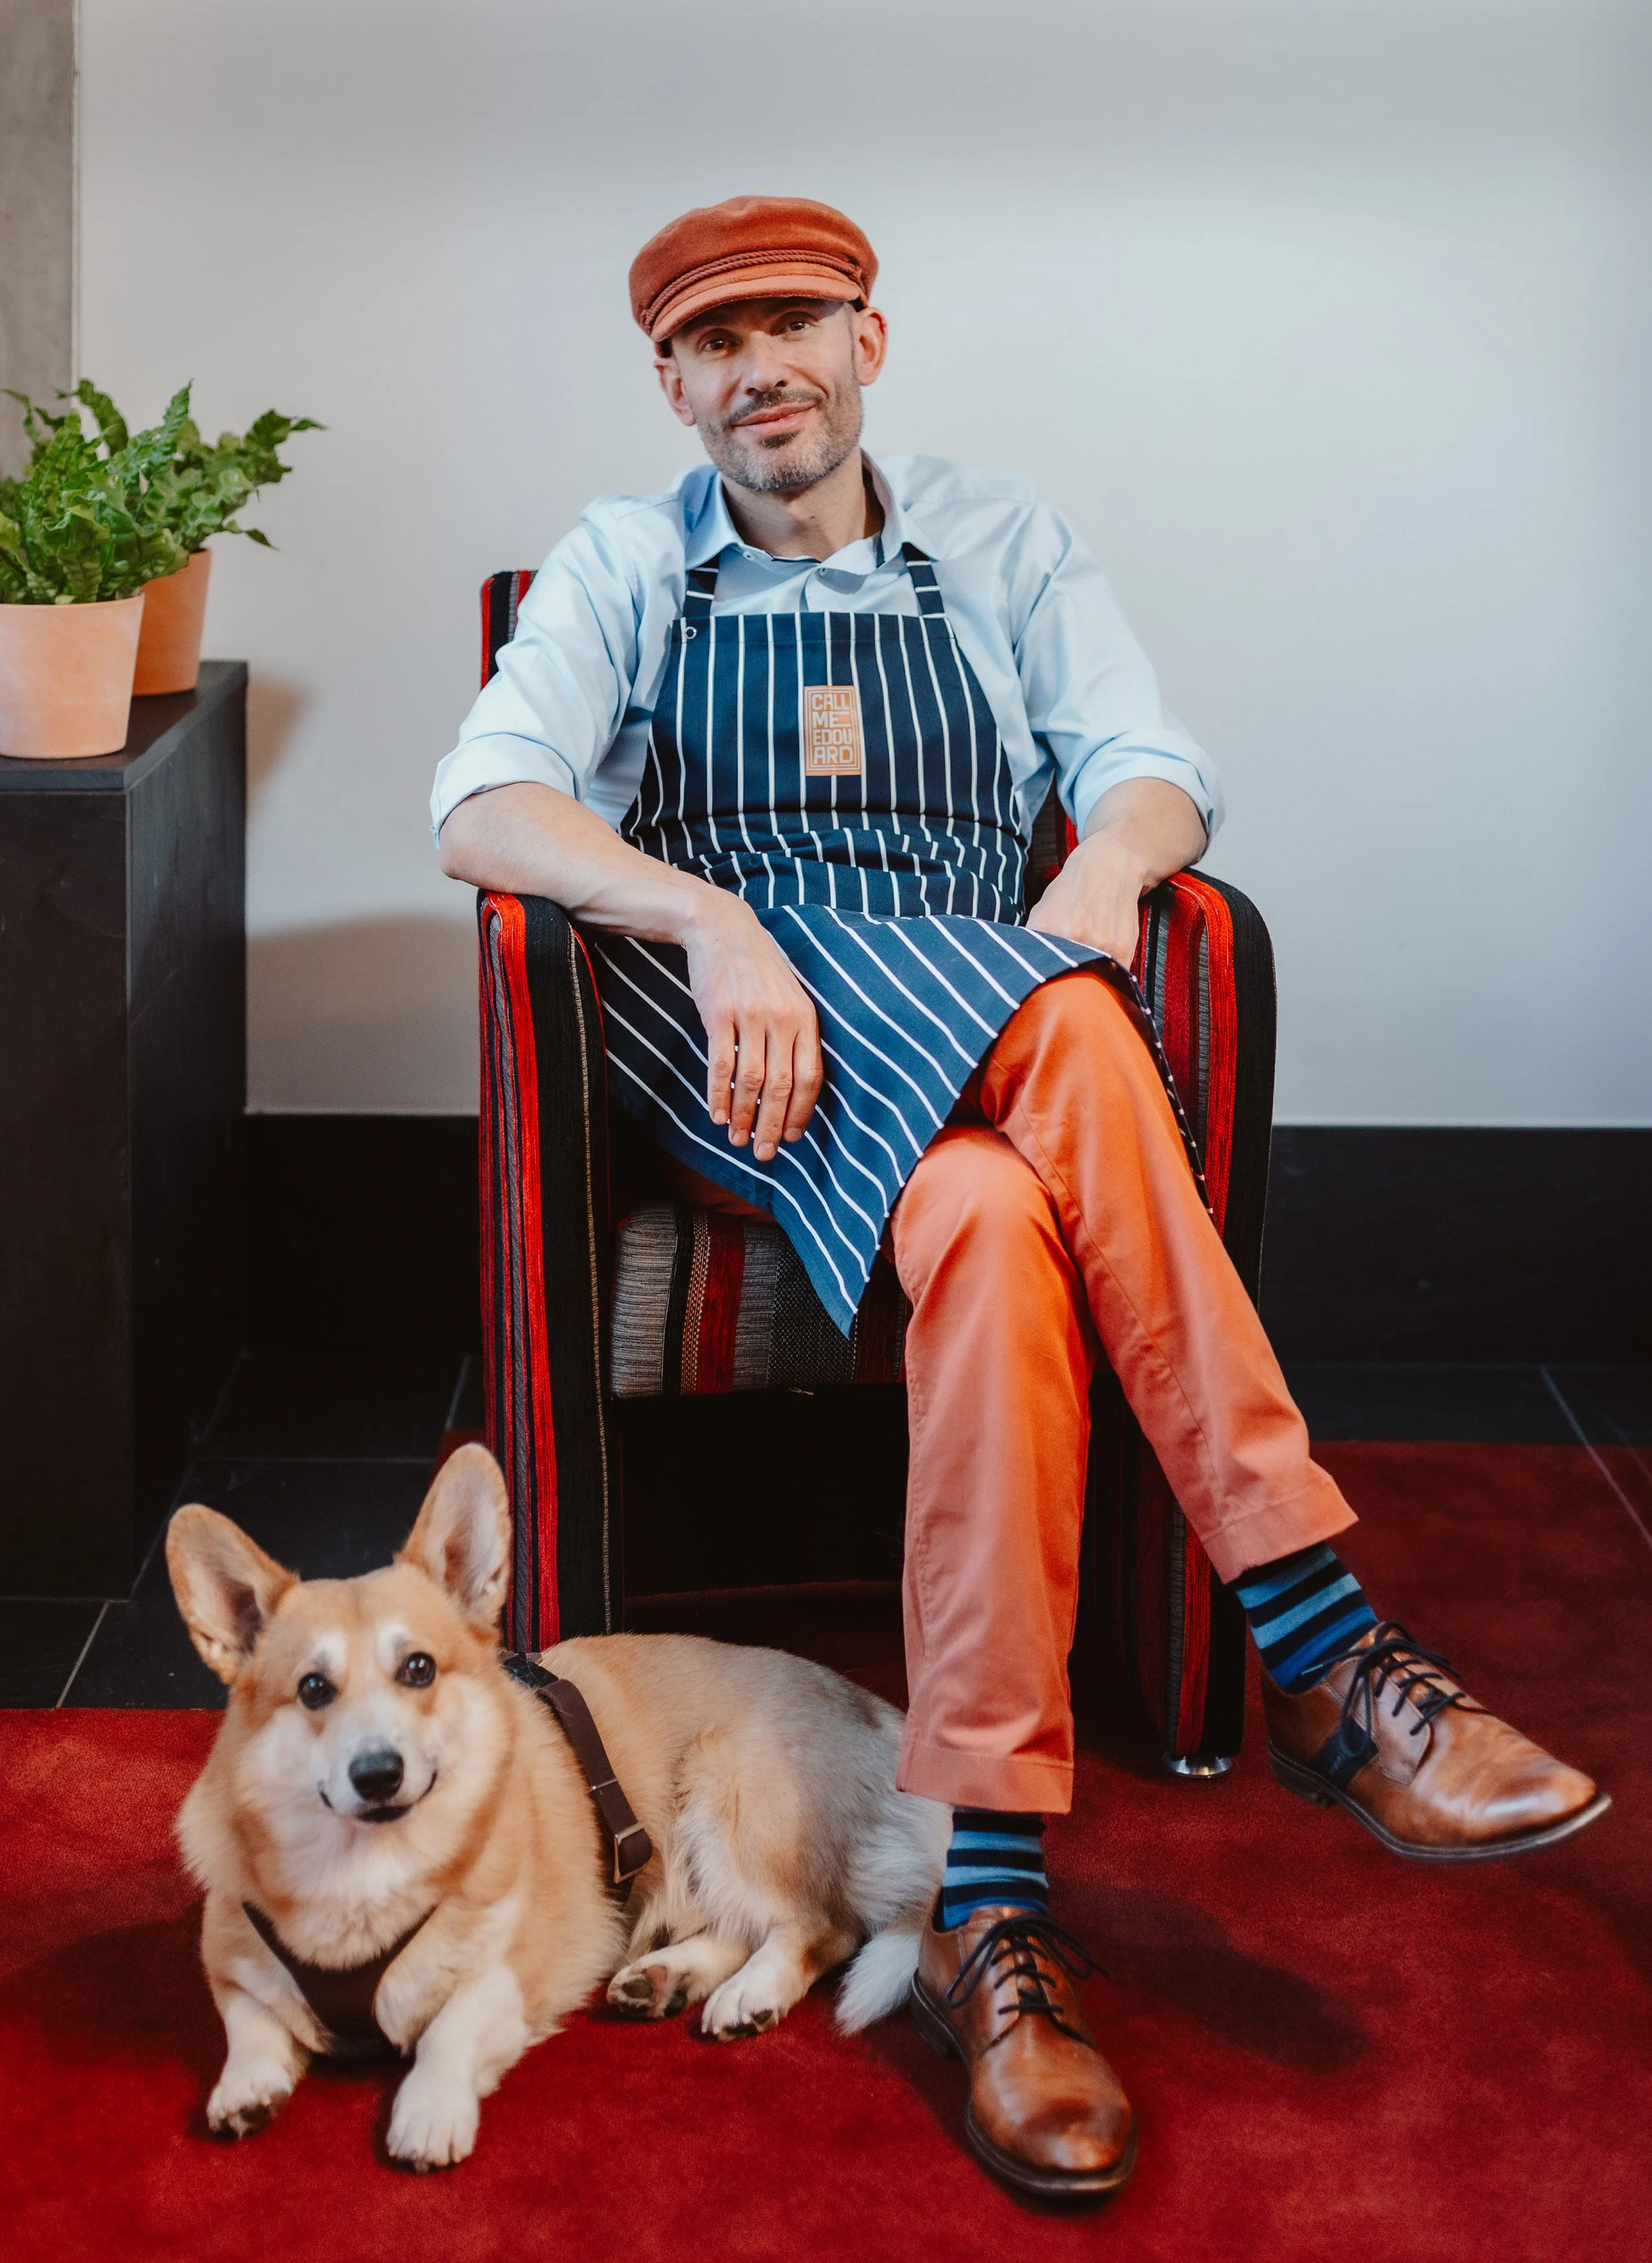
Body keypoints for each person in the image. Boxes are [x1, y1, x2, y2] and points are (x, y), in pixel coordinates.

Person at [432, 196, 1606, 2200]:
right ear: (673, 383)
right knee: (1067, 1028)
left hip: (975, 1006)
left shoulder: (999, 537)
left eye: (797, 321)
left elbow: (1150, 766)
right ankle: (1322, 1641)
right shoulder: (628, 561)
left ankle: (985, 1895)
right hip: (753, 1052)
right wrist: (710, 920)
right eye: (715, 341)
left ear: (868, 342)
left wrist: (1100, 878)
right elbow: (484, 803)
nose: (762, 367)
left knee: (990, 1220)